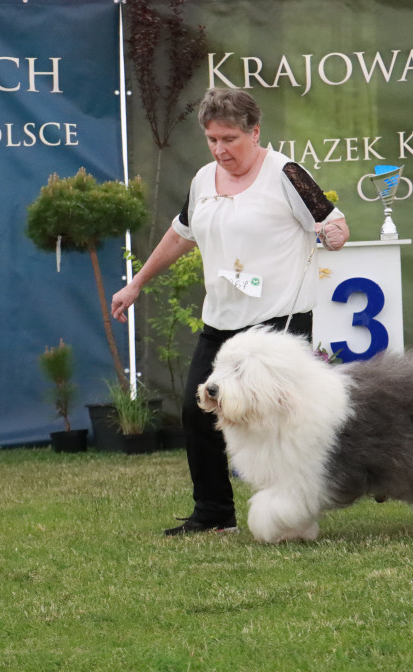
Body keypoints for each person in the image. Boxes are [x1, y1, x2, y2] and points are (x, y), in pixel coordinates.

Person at [111, 87, 349, 534]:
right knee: (197, 411)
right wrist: (137, 282)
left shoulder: (287, 174)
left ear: (254, 132)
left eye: (230, 140)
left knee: (284, 423)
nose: (220, 150)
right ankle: (214, 514)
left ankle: (295, 512)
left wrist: (332, 234)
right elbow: (182, 234)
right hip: (221, 322)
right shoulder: (203, 180)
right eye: (212, 140)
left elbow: (334, 222)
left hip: (279, 322)